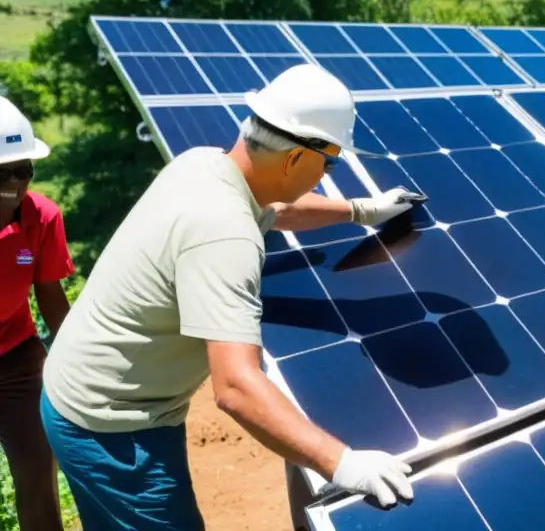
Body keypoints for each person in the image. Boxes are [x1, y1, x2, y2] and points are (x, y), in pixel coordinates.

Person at [39, 63, 422, 531]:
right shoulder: (226, 236)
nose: (327, 174)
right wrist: (340, 462)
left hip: (76, 388)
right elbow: (236, 387)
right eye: (331, 162)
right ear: (295, 159)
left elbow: (275, 208)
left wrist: (362, 210)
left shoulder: (202, 163)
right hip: (114, 429)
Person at [0, 95, 75, 531]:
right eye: (3, 174)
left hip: (17, 362)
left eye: (24, 170)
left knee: (38, 484)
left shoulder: (42, 218)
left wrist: (75, 360)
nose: (16, 184)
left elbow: (50, 296)